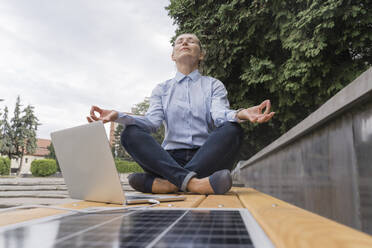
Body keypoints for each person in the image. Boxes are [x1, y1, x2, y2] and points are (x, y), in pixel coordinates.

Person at [87, 33, 274, 195]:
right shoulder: (161, 89)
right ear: (173, 55)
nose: (185, 43)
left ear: (200, 54)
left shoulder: (213, 85)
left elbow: (219, 115)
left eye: (191, 41)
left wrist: (241, 114)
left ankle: (170, 183)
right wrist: (117, 115)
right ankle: (195, 184)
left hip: (206, 157)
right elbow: (152, 122)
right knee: (130, 133)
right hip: (168, 160)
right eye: (180, 41)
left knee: (233, 129)